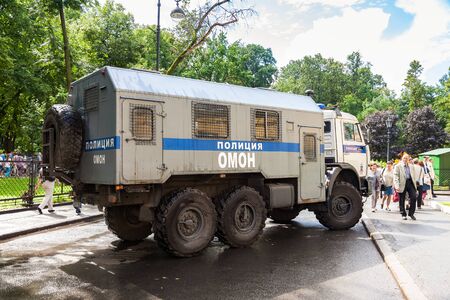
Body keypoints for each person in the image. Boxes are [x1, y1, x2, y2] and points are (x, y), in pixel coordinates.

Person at [394, 153, 418, 220]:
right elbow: (395, 176)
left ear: (408, 159)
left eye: (407, 158)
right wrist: (397, 186)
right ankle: (403, 214)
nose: (405, 159)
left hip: (410, 183)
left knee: (413, 197)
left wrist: (416, 185)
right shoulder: (398, 166)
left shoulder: (411, 166)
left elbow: (414, 176)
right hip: (401, 183)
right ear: (402, 159)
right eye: (404, 158)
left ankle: (411, 213)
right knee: (401, 199)